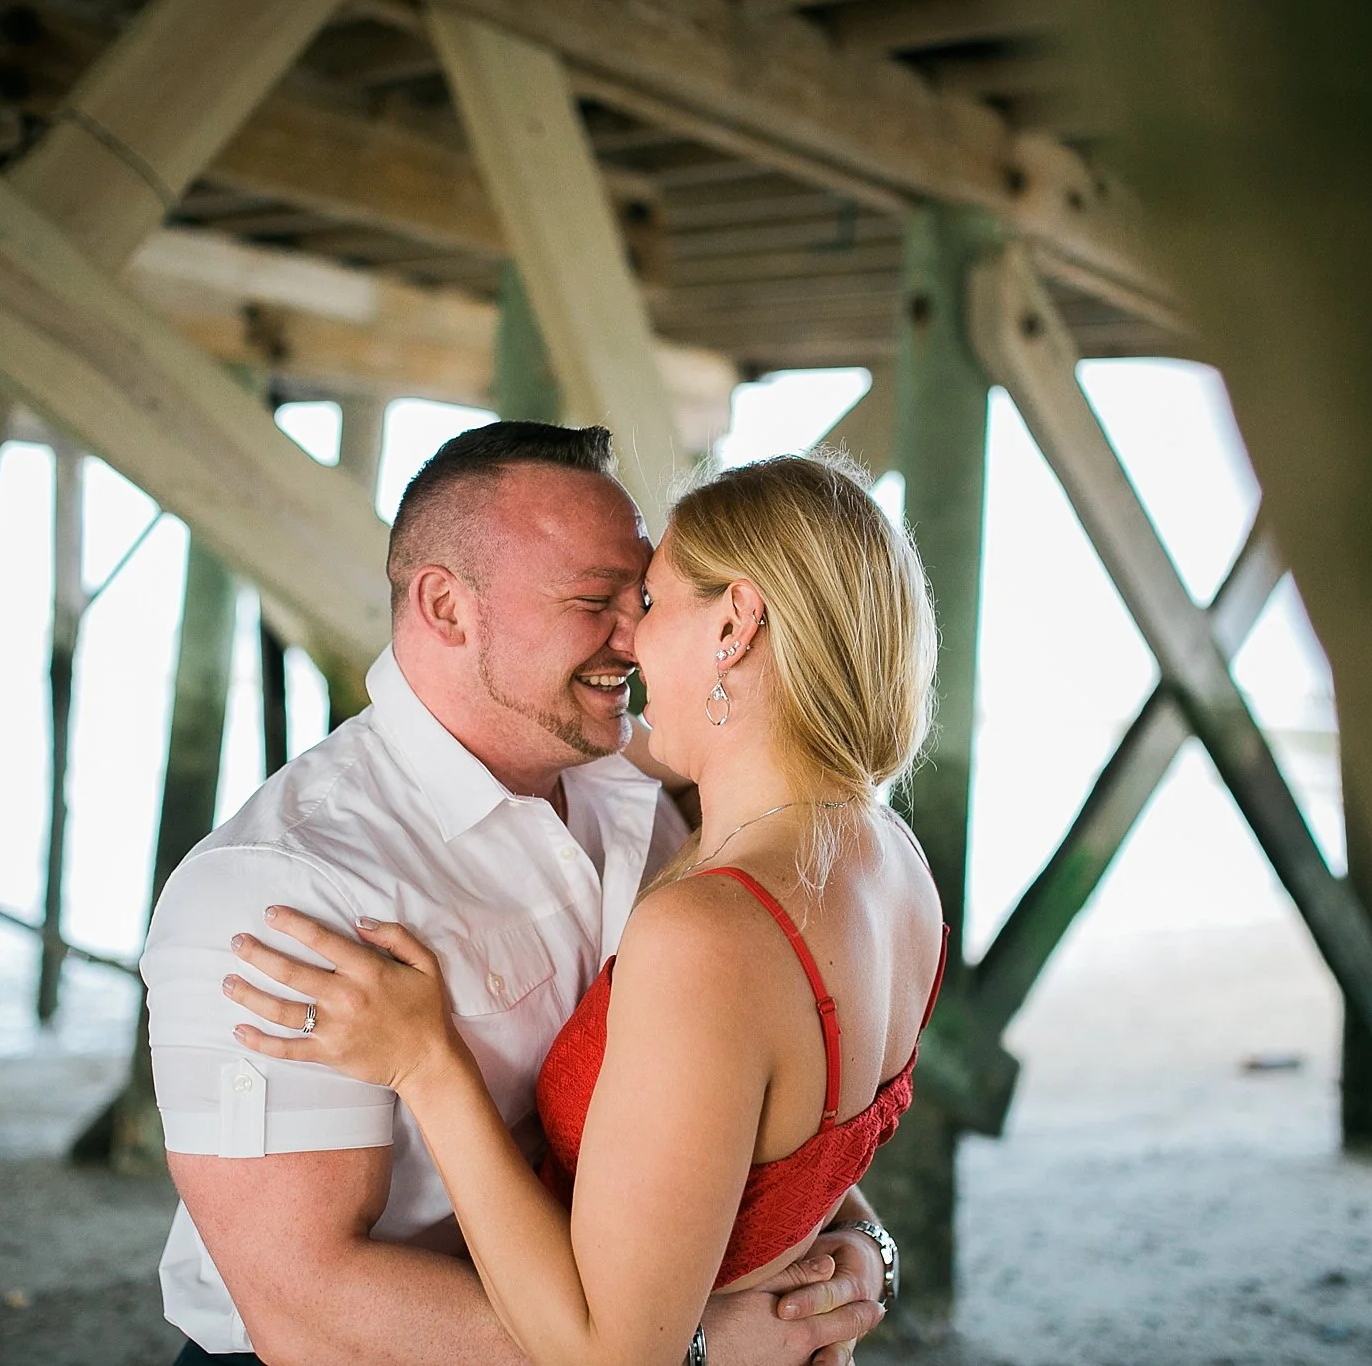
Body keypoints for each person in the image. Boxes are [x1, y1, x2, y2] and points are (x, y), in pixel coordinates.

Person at [140, 424, 887, 1364]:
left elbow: (719, 1095)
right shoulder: (280, 887)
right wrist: (692, 1349)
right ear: (447, 606)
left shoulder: (636, 799)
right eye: (595, 602)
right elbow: (306, 1304)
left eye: (647, 595)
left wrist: (855, 1239)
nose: (639, 637)